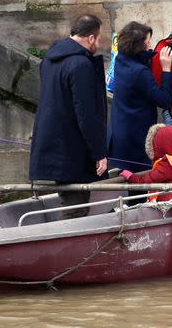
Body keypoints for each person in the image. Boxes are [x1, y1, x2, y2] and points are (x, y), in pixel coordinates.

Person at [29, 14, 108, 219]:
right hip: (73, 147)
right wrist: (99, 152)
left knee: (69, 198)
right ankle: (70, 250)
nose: (99, 44)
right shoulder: (80, 65)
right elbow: (86, 113)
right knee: (76, 207)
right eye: (99, 39)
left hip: (54, 143)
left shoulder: (50, 59)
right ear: (90, 38)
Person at [109, 21, 172, 172]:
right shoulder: (140, 72)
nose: (150, 43)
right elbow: (163, 100)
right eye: (148, 40)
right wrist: (166, 69)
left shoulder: (120, 60)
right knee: (140, 184)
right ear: (140, 45)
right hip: (137, 139)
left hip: (121, 133)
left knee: (129, 182)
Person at [119, 124, 172, 202]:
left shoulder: (166, 165)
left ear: (161, 144)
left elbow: (144, 182)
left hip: (168, 203)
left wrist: (130, 176)